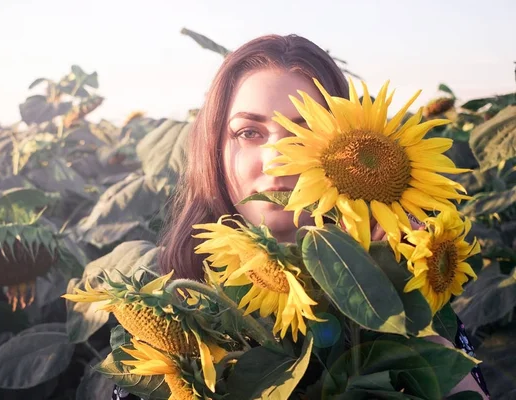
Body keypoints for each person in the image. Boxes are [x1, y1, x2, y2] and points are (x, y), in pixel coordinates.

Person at [112, 34, 490, 399]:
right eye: (248, 132)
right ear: (212, 149)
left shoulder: (408, 303)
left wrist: (405, 312)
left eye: (305, 132)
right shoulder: (164, 320)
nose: (278, 159)